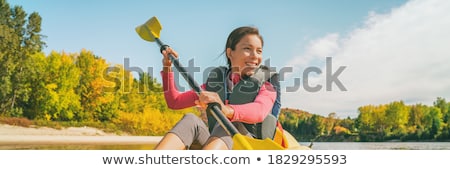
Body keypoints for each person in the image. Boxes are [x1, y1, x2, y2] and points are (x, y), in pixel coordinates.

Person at [154, 26, 277, 150]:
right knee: (190, 120)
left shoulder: (267, 84)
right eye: (247, 49)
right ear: (230, 53)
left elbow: (260, 111)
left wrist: (226, 110)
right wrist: (167, 68)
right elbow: (175, 102)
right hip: (220, 145)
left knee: (227, 123)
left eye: (259, 51)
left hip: (250, 148)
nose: (255, 56)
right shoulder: (216, 83)